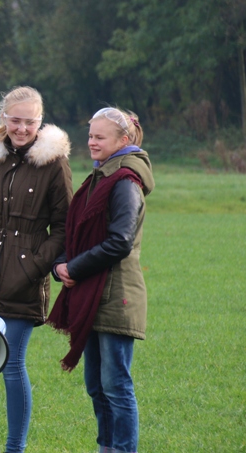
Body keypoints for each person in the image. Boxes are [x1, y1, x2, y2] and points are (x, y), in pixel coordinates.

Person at [47, 106, 154, 453]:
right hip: (94, 293)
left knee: (116, 386)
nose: (92, 142)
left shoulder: (125, 181)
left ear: (123, 140)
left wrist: (74, 268)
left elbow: (119, 242)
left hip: (116, 295)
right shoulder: (101, 176)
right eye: (90, 135)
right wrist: (61, 265)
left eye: (100, 137)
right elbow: (76, 233)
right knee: (96, 384)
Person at [0, 87, 73, 453]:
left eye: (29, 122)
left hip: (24, 281)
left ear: (41, 121)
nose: (21, 129)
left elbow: (65, 226)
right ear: (3, 118)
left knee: (11, 364)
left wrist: (35, 265)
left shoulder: (54, 164)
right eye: (15, 120)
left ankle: (14, 448)